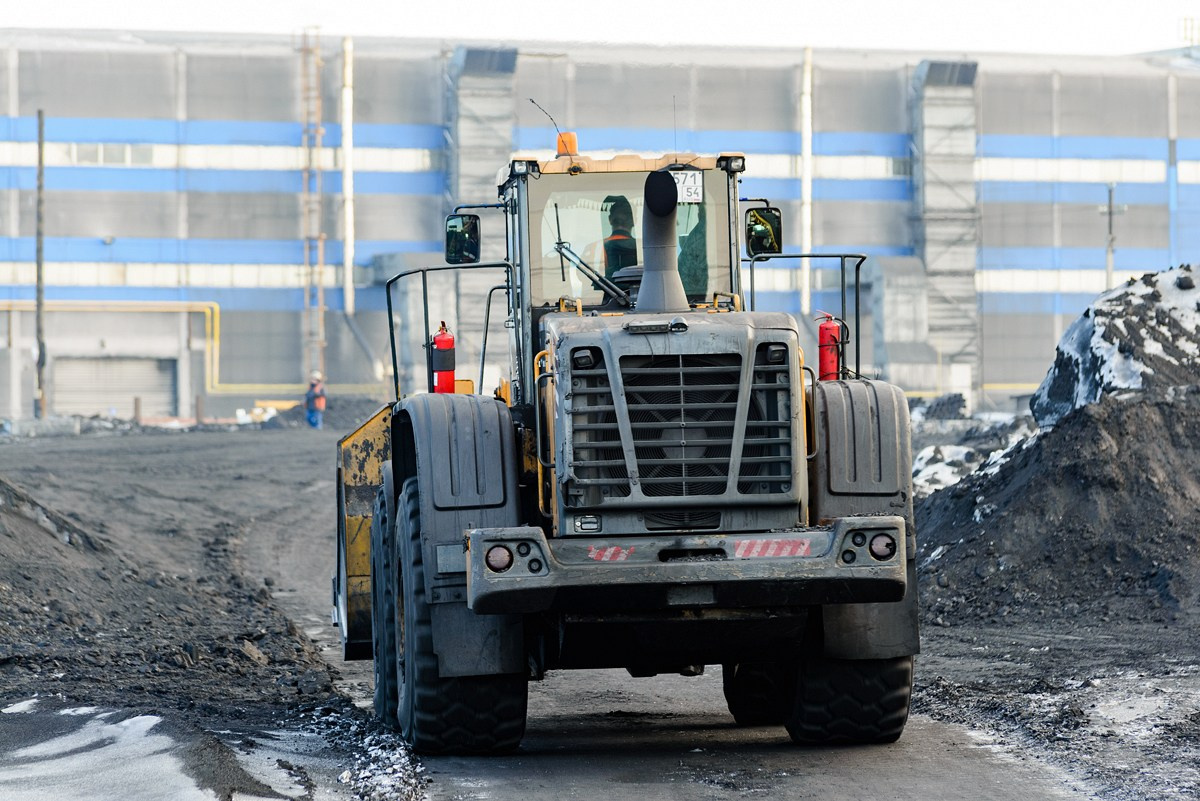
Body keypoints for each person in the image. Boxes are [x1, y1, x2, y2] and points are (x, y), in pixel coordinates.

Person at [602, 195, 637, 279]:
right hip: (642, 292)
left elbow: (583, 277)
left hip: (605, 291)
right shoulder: (645, 247)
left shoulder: (595, 248)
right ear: (634, 220)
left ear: (610, 219)